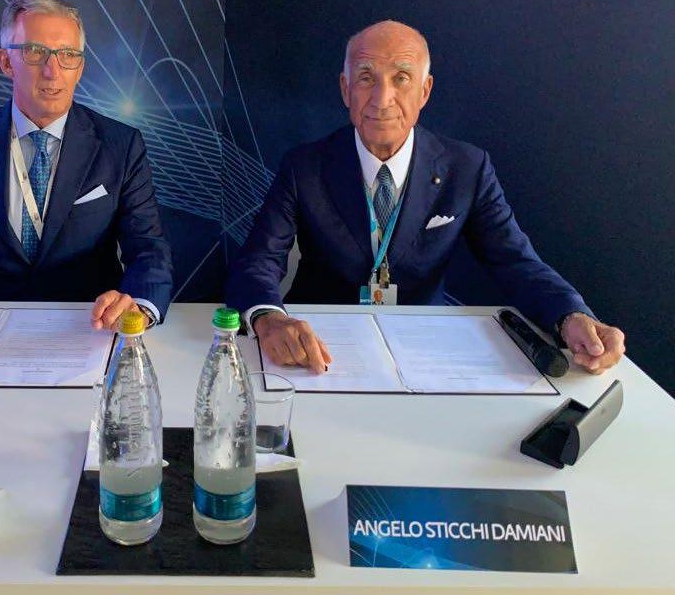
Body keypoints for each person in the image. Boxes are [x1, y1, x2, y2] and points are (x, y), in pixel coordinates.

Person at [226, 20, 624, 374]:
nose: (382, 98)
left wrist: (570, 315)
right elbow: (259, 260)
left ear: (424, 91)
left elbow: (515, 262)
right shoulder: (304, 166)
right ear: (346, 90)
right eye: (365, 78)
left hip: (427, 348)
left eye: (401, 78)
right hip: (321, 345)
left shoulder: (467, 168)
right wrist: (269, 319)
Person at [0, 0, 172, 330]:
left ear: (80, 68)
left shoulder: (121, 146)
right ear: (6, 62)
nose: (53, 71)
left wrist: (140, 306)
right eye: (35, 52)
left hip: (87, 326)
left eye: (67, 55)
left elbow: (148, 250)